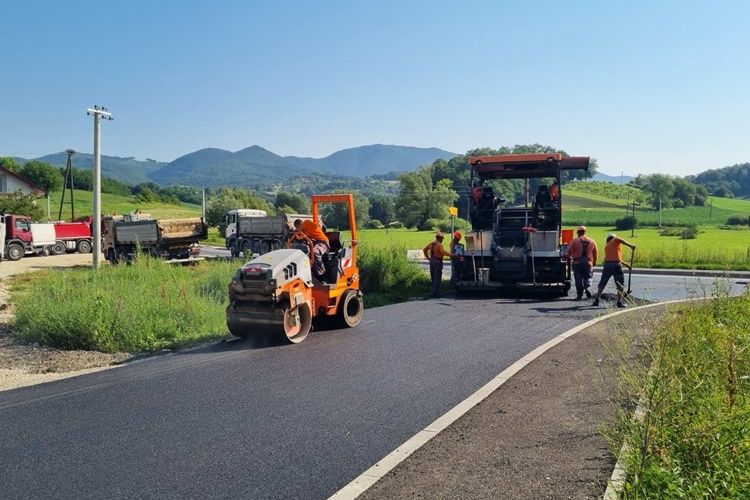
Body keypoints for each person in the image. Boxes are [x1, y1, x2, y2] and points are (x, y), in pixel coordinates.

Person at [592, 233, 636, 308]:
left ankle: (596, 300)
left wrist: (627, 265)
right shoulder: (615, 240)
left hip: (607, 264)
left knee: (603, 282)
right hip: (616, 265)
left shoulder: (607, 246)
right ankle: (619, 302)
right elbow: (617, 259)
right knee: (620, 283)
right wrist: (631, 246)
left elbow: (617, 258)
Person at [566, 226, 598, 300]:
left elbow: (569, 250)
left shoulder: (575, 241)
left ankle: (579, 295)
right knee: (588, 277)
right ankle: (587, 288)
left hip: (577, 262)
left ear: (578, 233)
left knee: (578, 279)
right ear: (585, 232)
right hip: (588, 263)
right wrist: (594, 262)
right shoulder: (592, 241)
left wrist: (567, 256)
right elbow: (595, 252)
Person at [294, 218, 330, 282]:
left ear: (298, 225)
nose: (297, 230)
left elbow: (312, 229)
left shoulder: (306, 222)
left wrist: (303, 236)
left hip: (323, 242)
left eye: (297, 228)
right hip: (315, 243)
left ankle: (322, 274)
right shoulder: (303, 231)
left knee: (315, 252)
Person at [423, 232, 454, 298]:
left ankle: (435, 291)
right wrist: (451, 255)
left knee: (433, 277)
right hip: (438, 262)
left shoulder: (431, 244)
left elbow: (424, 250)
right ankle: (434, 293)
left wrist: (428, 258)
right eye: (442, 238)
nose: (442, 240)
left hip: (432, 261)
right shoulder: (439, 245)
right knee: (437, 278)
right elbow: (443, 252)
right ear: (440, 238)